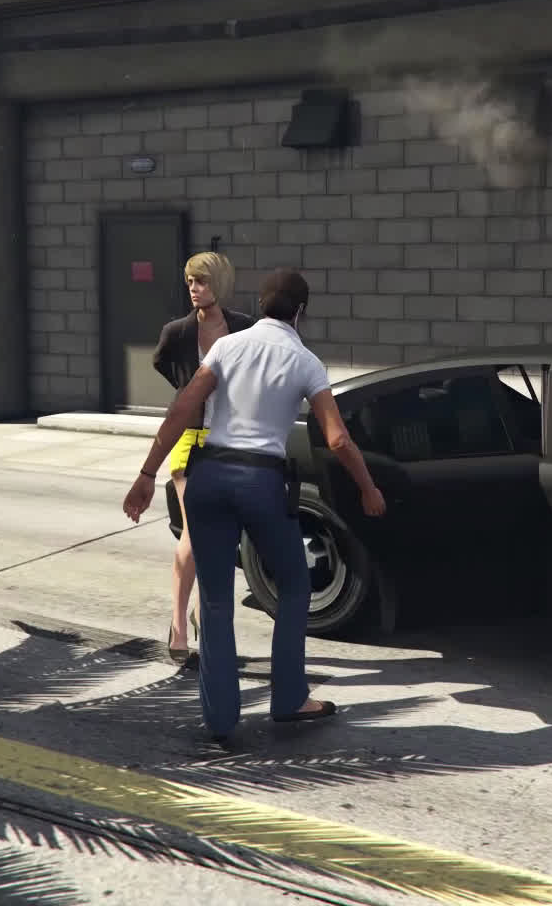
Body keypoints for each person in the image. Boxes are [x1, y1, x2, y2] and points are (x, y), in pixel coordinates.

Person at [122, 268, 386, 742]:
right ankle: (290, 698)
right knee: (295, 584)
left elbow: (183, 408)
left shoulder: (226, 347)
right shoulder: (305, 361)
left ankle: (220, 719)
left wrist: (146, 474)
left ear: (261, 305)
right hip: (261, 482)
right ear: (301, 312)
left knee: (216, 597)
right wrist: (368, 488)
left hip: (209, 476)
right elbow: (337, 439)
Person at [149, 251, 254, 664]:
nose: (194, 288)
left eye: (202, 281)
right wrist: (189, 392)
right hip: (189, 439)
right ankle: (179, 623)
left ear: (219, 284)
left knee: (222, 533)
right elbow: (161, 363)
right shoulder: (177, 332)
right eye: (190, 281)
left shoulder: (243, 327)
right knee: (195, 532)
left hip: (229, 436)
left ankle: (200, 613)